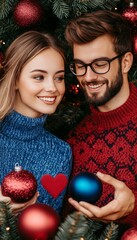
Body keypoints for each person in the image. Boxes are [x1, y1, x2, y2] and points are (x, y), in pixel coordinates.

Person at [63, 10, 137, 228]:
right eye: (80, 65)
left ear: (125, 63)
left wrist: (133, 208)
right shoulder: (74, 142)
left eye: (100, 63)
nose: (88, 76)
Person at [0, 30, 72, 216]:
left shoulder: (60, 153)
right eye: (39, 77)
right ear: (15, 80)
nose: (52, 88)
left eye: (59, 77)